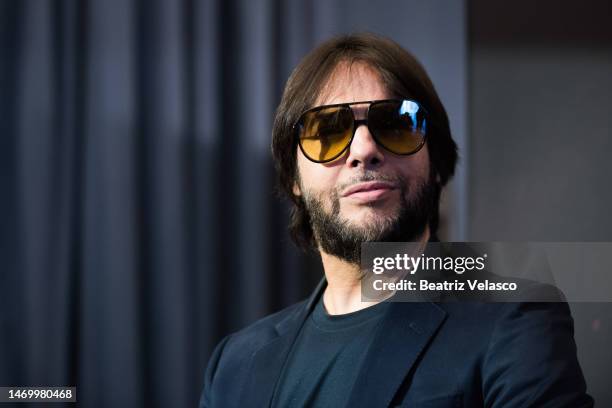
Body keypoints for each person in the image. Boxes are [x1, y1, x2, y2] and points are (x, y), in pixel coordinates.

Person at [199, 33, 593, 407]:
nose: (364, 149)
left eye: (396, 124)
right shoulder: (235, 364)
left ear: (435, 161)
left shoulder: (514, 318)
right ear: (293, 178)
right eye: (329, 130)